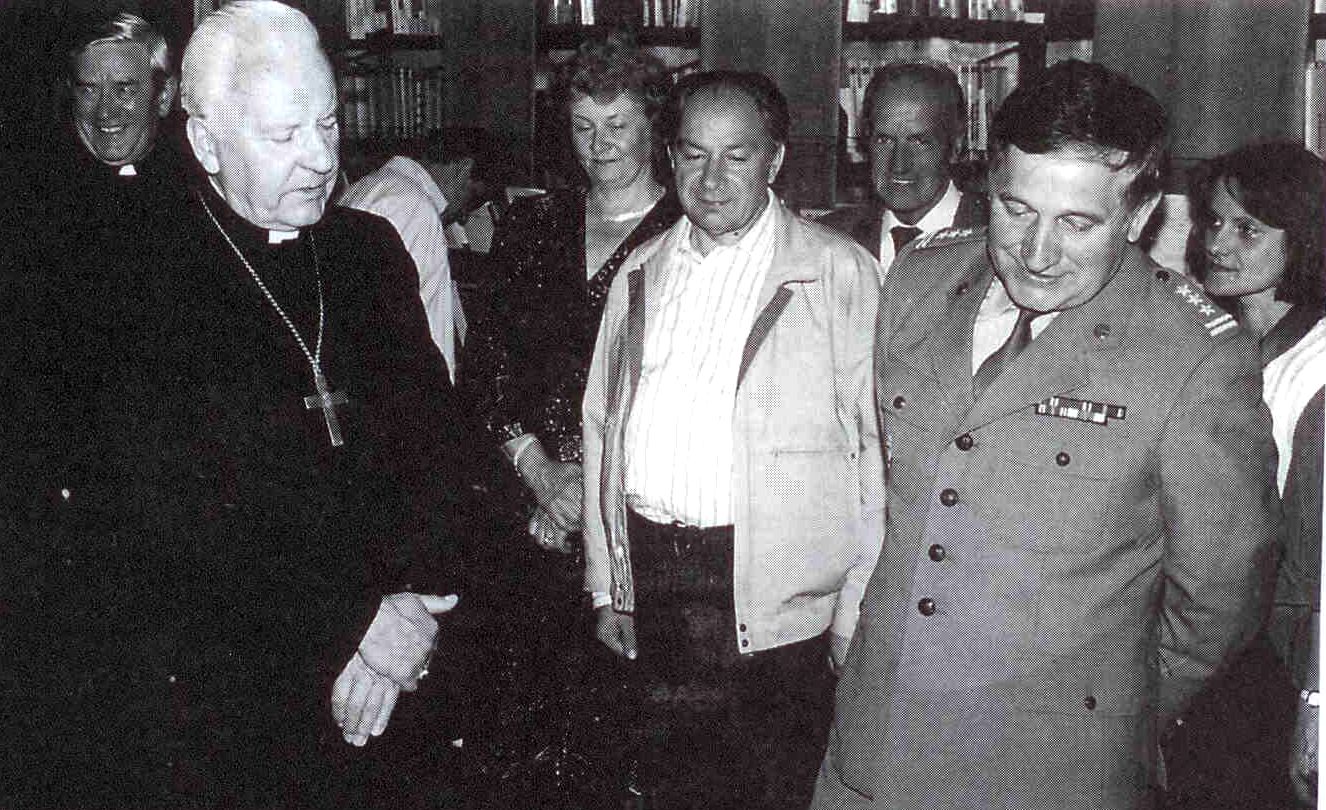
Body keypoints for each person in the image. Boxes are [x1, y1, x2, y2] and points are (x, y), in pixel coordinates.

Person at [6, 3, 463, 807]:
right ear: (208, 142)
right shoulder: (129, 272)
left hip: (395, 679)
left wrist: (408, 625)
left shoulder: (368, 255)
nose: (320, 157)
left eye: (328, 124)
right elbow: (161, 506)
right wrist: (356, 620)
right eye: (284, 136)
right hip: (223, 698)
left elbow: (439, 454)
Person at [812, 60, 1279, 810]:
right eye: (1016, 209)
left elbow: (1219, 597)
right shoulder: (919, 282)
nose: (1036, 252)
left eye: (1077, 223)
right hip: (873, 741)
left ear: (1139, 215)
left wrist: (1104, 708)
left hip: (1051, 765)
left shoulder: (1194, 357)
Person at [582, 70, 884, 810]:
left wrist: (853, 609)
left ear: (775, 160)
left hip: (779, 600)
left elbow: (877, 452)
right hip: (657, 577)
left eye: (737, 156)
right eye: (693, 154)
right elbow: (601, 425)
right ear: (670, 156)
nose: (711, 178)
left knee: (770, 791)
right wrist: (609, 582)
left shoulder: (835, 272)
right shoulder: (641, 272)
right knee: (671, 789)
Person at [466, 31, 682, 554]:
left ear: (652, 127)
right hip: (523, 491)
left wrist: (592, 491)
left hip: (642, 504)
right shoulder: (530, 222)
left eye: (616, 126)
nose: (598, 144)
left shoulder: (683, 231)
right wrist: (540, 474)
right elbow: (486, 362)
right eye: (582, 127)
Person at [1166, 141, 1325, 809]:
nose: (1218, 244)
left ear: (1303, 238)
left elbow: (1315, 568)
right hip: (1191, 646)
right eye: (1213, 221)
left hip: (1275, 664)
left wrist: (1314, 701)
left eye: (1247, 229)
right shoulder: (1202, 341)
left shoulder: (1316, 368)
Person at [820, 62, 987, 274]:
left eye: (919, 142)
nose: (899, 165)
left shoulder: (995, 239)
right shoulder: (828, 239)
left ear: (955, 146)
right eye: (884, 140)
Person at [340, 140, 479, 383]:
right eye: (473, 197)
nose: (464, 215)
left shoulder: (373, 186)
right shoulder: (411, 205)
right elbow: (410, 327)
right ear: (464, 169)